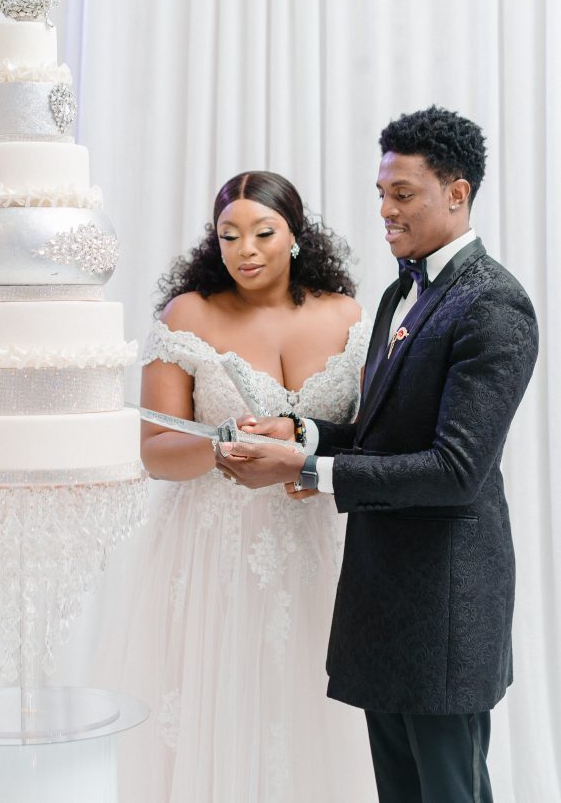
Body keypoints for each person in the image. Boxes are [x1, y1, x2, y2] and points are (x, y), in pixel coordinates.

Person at [217, 108, 539, 803]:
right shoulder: (400, 290)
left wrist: (307, 472)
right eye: (381, 194)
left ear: (457, 195)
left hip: (447, 607)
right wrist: (298, 433)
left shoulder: (495, 306)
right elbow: (382, 431)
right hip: (384, 596)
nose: (385, 211)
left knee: (451, 791)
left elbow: (456, 471)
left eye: (403, 194)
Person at [92, 170, 376, 802]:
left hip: (315, 546)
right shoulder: (189, 314)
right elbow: (154, 453)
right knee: (218, 705)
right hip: (212, 552)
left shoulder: (348, 316)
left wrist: (311, 461)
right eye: (228, 235)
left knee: (310, 706)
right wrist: (219, 445)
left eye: (262, 233)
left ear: (296, 236)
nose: (244, 250)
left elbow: (368, 435)